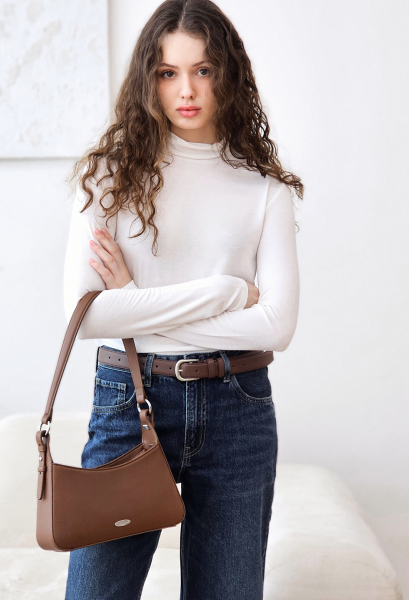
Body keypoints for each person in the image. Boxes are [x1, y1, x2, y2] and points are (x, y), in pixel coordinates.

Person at [63, 1, 302, 598]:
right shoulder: (108, 178)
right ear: (149, 79)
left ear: (228, 74)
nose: (187, 90)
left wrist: (134, 301)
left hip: (238, 407)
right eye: (168, 73)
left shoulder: (265, 189)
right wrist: (225, 293)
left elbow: (276, 327)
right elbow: (87, 316)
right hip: (131, 398)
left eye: (203, 70)